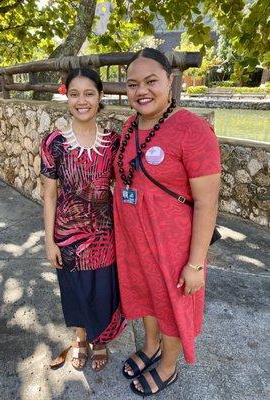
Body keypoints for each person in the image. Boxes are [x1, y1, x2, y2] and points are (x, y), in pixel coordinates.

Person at [113, 48, 221, 396]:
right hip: (135, 239)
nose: (141, 90)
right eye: (132, 84)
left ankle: (169, 365)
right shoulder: (130, 126)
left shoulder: (192, 128)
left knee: (171, 306)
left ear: (170, 82)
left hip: (173, 245)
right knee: (146, 297)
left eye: (151, 81)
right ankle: (150, 346)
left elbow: (206, 202)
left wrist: (195, 264)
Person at [40, 68, 125, 372]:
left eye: (89, 93)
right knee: (74, 289)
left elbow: (127, 186)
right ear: (67, 97)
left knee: (103, 289)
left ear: (100, 96)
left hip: (105, 234)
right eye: (74, 94)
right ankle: (80, 337)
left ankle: (100, 339)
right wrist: (49, 240)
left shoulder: (115, 142)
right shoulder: (53, 143)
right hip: (67, 235)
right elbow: (49, 195)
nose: (82, 100)